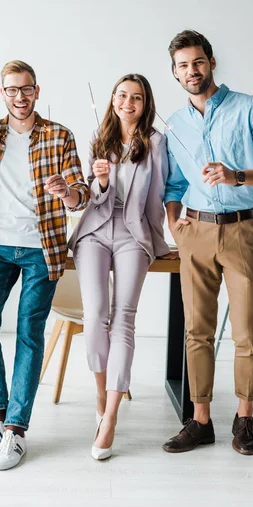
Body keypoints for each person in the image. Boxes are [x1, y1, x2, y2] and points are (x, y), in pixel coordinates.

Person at [162, 30, 253, 455]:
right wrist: (174, 224)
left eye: (197, 62)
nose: (191, 71)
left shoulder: (249, 108)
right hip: (194, 233)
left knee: (247, 332)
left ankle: (244, 418)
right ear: (175, 73)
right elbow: (174, 183)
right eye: (182, 66)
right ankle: (200, 421)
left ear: (211, 63)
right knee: (196, 331)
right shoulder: (175, 123)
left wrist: (236, 175)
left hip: (243, 230)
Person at [0, 60, 89, 471]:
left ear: (37, 91)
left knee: (29, 333)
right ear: (1, 93)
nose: (19, 97)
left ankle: (17, 432)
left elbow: (82, 196)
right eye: (11, 90)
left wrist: (66, 192)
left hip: (42, 248)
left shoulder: (60, 135)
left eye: (26, 89)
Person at [69, 73, 177, 460]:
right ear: (113, 99)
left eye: (136, 97)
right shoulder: (100, 139)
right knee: (95, 314)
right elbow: (88, 196)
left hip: (134, 234)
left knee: (123, 317)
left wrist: (163, 238)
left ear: (146, 103)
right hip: (95, 232)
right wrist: (99, 183)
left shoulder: (156, 143)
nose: (128, 102)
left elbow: (160, 193)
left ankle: (110, 415)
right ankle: (100, 393)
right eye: (122, 95)